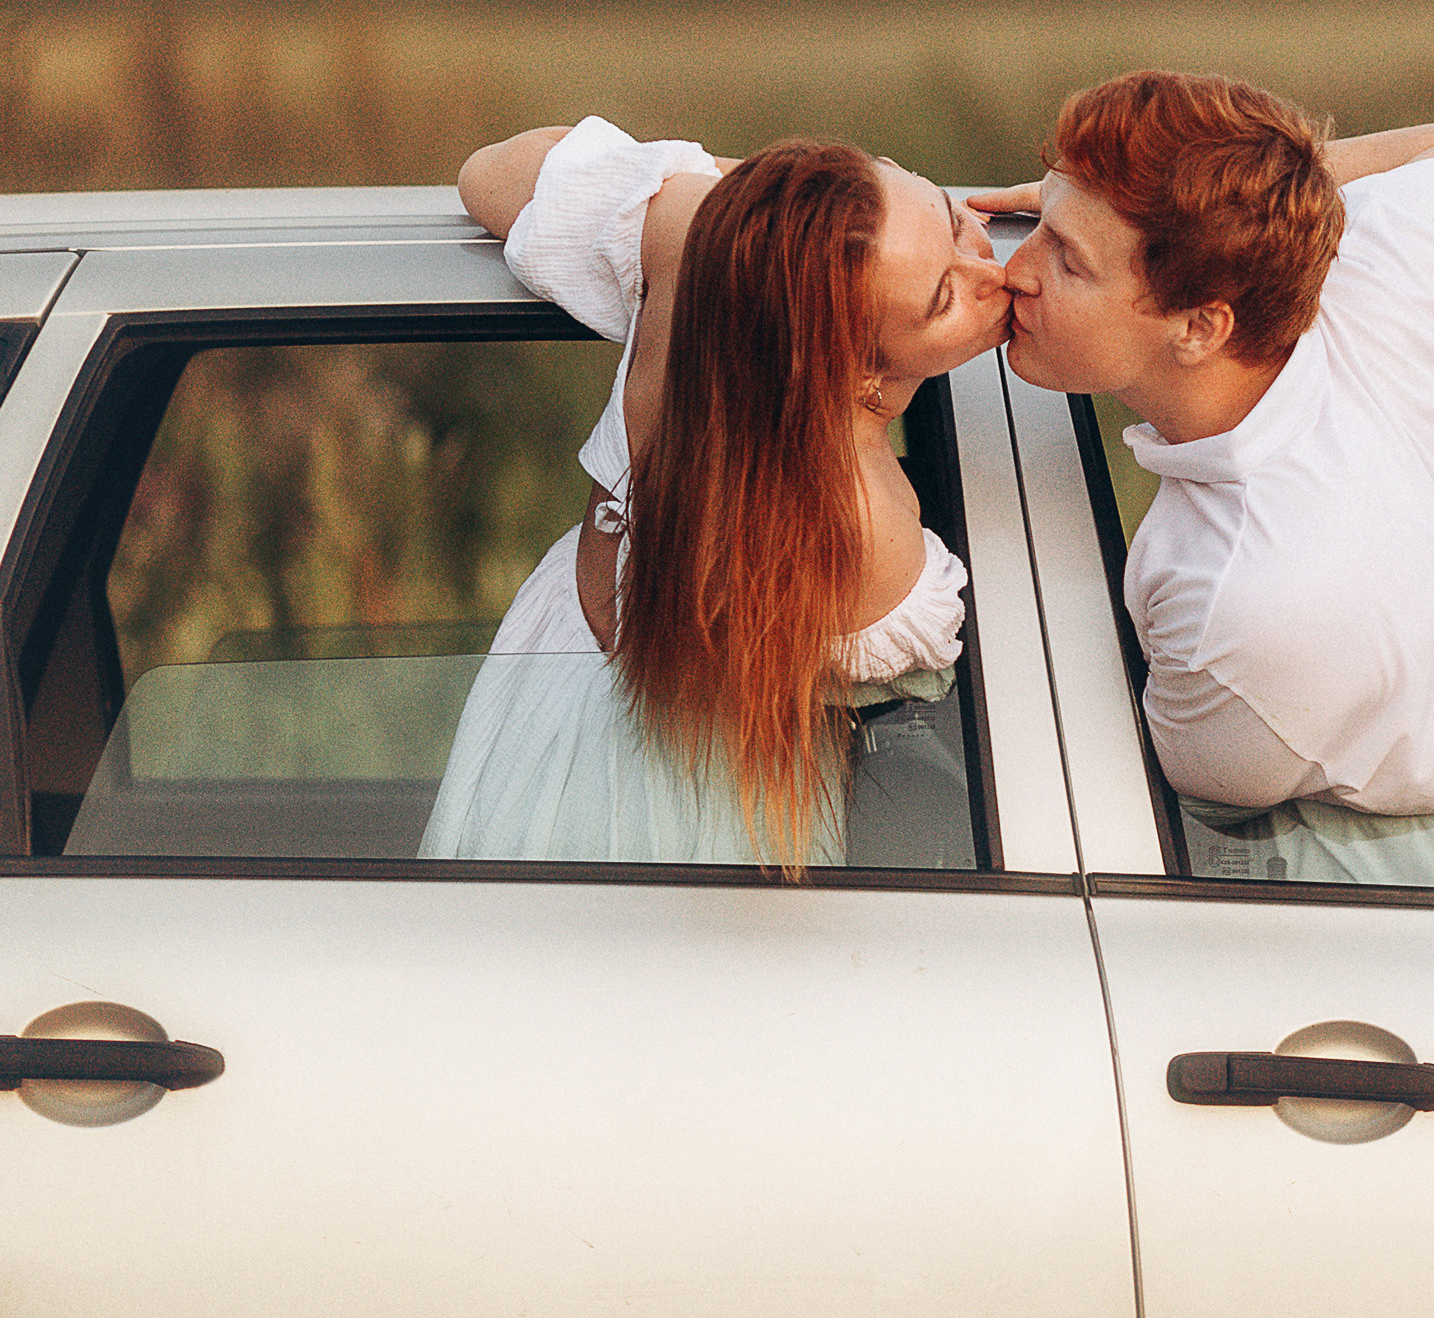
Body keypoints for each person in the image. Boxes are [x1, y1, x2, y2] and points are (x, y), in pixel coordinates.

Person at [975, 70, 1434, 886]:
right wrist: (1245, 203)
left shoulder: (1238, 604)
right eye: (1044, 224)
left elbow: (1136, 814)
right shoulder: (1396, 271)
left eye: (1071, 262)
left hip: (1404, 992)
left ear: (1199, 325)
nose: (1019, 269)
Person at [420, 118, 1008, 868]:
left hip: (548, 714)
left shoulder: (697, 245)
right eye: (945, 296)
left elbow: (491, 171)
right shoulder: (861, 523)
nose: (997, 272)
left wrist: (767, 217)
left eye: (955, 218)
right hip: (700, 816)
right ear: (854, 373)